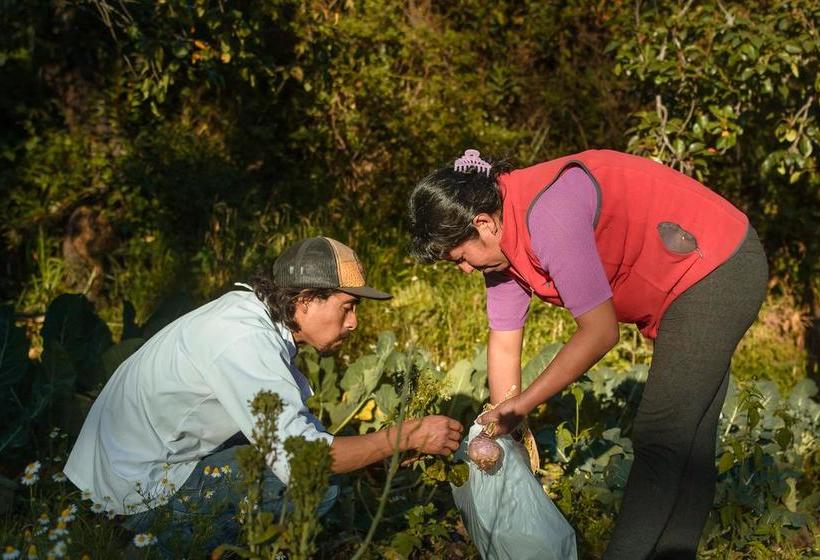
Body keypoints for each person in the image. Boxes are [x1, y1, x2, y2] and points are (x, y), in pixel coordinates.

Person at [408, 149, 768, 559]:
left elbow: (600, 333)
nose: (464, 269)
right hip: (688, 280)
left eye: (460, 258)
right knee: (688, 446)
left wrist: (522, 405)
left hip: (716, 265)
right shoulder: (500, 250)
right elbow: (504, 341)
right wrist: (504, 422)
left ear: (483, 223)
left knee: (661, 437)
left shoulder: (548, 214)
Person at [65, 236, 463, 551]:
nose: (354, 323)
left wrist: (376, 452)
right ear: (305, 300)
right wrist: (405, 436)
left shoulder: (250, 315)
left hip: (122, 467)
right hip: (133, 491)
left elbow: (294, 427)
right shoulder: (245, 341)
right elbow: (304, 460)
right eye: (348, 307)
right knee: (316, 485)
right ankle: (164, 545)